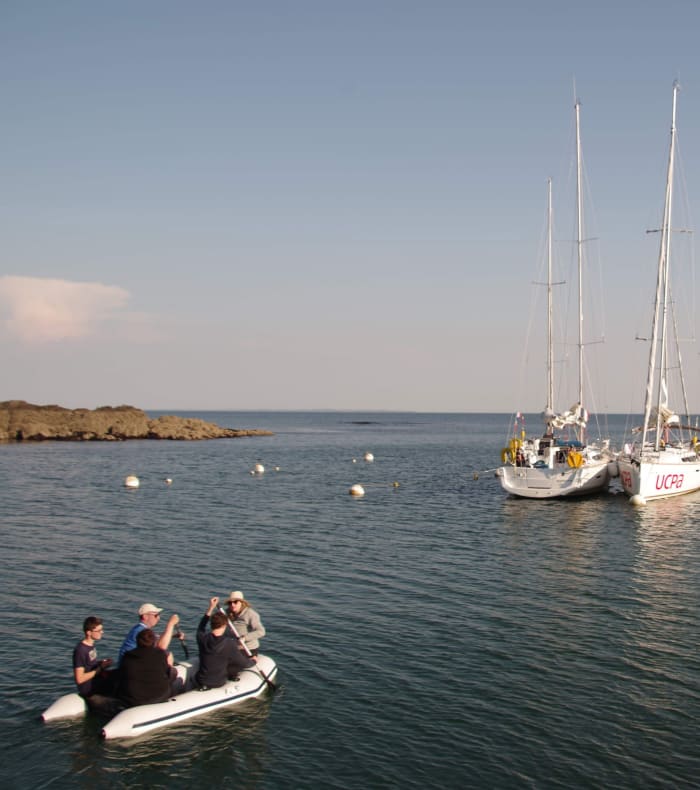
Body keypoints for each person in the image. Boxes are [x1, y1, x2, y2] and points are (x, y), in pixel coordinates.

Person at [196, 597, 256, 689]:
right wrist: (253, 661)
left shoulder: (201, 638)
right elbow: (243, 663)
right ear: (224, 625)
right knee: (233, 666)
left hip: (200, 680)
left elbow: (201, 626)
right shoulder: (229, 644)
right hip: (218, 682)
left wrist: (211, 608)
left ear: (211, 624)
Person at [117, 628, 177, 707]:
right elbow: (166, 671)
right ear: (154, 642)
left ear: (137, 641)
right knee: (173, 671)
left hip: (133, 699)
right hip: (158, 696)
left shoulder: (128, 656)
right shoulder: (160, 654)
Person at [118, 602, 183, 664]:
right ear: (145, 616)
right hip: (132, 664)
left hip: (130, 663)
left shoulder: (139, 628)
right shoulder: (141, 631)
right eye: (156, 615)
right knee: (167, 655)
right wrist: (171, 624)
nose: (158, 618)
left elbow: (156, 638)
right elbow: (161, 647)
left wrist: (173, 635)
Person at [73, 616, 115, 698]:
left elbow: (89, 665)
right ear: (89, 632)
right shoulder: (81, 650)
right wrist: (99, 669)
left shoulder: (90, 646)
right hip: (89, 688)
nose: (102, 632)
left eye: (101, 629)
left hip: (95, 680)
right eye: (99, 630)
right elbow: (79, 679)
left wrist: (101, 664)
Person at [225, 590, 266, 656]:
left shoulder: (250, 614)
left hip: (248, 649)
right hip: (233, 647)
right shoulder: (227, 613)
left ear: (241, 602)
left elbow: (261, 631)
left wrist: (245, 638)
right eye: (230, 603)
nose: (232, 605)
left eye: (235, 602)